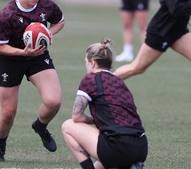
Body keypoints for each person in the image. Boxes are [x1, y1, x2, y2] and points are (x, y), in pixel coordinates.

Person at [0, 0, 65, 162]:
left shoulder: (46, 4)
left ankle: (40, 126)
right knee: (8, 113)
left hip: (37, 56)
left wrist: (47, 33)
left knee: (54, 101)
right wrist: (23, 52)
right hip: (9, 59)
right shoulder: (8, 14)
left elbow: (59, 22)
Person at [62, 38, 147, 169]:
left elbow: (77, 117)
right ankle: (130, 165)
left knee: (68, 126)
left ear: (93, 62)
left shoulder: (90, 79)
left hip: (117, 147)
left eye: (86, 62)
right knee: (102, 164)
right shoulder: (119, 81)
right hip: (140, 146)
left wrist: (95, 119)